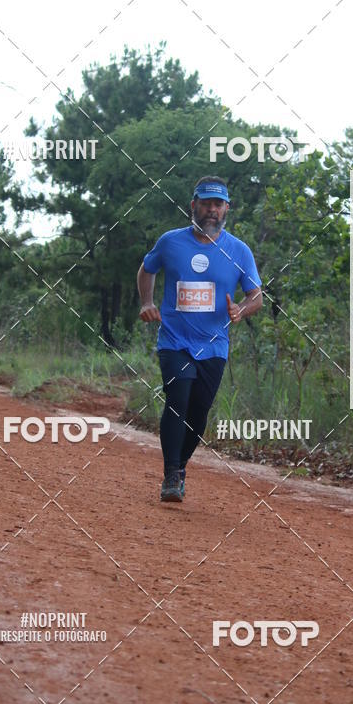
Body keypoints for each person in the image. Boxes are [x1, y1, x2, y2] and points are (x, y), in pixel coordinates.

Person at [138, 176, 263, 503]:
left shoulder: (238, 250)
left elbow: (256, 296)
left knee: (199, 411)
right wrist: (148, 303)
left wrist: (241, 310)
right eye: (205, 203)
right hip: (174, 340)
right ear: (193, 205)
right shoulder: (170, 242)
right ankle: (170, 475)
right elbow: (147, 269)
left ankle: (180, 467)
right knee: (177, 400)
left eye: (218, 204)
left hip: (214, 345)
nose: (211, 210)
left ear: (226, 209)